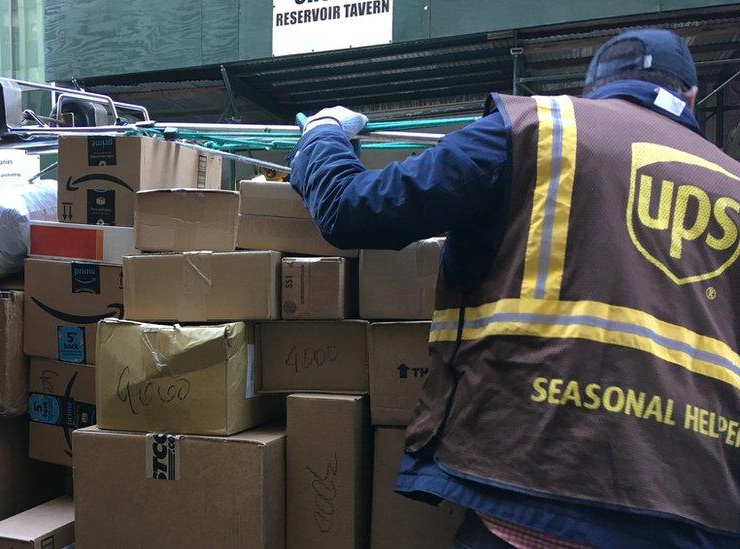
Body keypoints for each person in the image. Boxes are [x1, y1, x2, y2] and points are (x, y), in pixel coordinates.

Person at [288, 29, 740, 548]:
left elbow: (357, 210)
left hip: (539, 478)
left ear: (596, 89)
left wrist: (321, 138)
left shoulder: (541, 128)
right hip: (702, 507)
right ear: (689, 96)